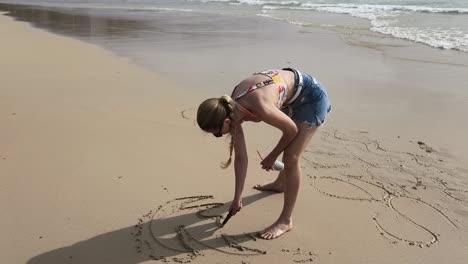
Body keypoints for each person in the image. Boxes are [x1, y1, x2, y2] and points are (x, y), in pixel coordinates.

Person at [196, 68, 331, 239]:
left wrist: (272, 156)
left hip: (311, 97)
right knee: (287, 151)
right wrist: (237, 198)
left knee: (291, 157)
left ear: (226, 121)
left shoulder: (259, 106)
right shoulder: (230, 108)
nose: (219, 136)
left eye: (217, 133)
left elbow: (291, 130)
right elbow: (241, 158)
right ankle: (280, 184)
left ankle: (285, 221)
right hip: (291, 97)